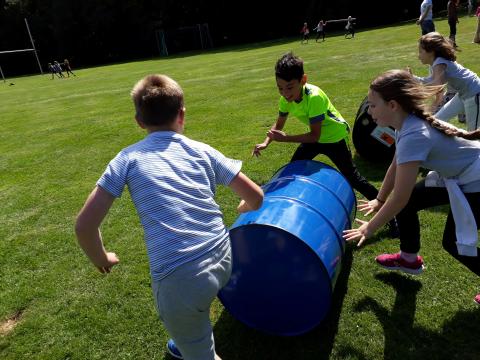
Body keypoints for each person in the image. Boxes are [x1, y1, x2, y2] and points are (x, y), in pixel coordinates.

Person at [75, 74, 264, 360]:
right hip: (223, 255)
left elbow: (84, 226)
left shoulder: (127, 158)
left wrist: (101, 259)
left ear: (139, 121)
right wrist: (244, 207)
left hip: (180, 279)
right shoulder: (202, 149)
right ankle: (190, 336)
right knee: (196, 306)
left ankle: (195, 344)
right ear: (182, 115)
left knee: (194, 335)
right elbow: (256, 197)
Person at [343, 69, 480, 305]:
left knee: (455, 244)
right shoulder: (403, 125)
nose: (368, 110)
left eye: (373, 105)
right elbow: (396, 165)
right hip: (461, 174)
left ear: (393, 105)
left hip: (476, 180)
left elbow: (400, 198)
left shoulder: (414, 133)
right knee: (412, 202)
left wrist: (370, 228)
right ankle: (408, 259)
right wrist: (380, 198)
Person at [252, 52, 399, 237]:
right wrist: (266, 142)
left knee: (353, 179)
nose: (285, 93)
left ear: (303, 80)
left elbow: (314, 136)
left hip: (333, 139)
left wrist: (286, 138)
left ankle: (391, 218)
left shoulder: (314, 97)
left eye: (289, 87)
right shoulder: (285, 100)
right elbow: (279, 125)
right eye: (280, 88)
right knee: (293, 169)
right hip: (315, 138)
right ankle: (286, 212)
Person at [412, 32, 480, 131]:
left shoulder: (439, 63)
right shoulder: (435, 64)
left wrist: (434, 105)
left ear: (431, 52)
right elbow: (431, 81)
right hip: (463, 95)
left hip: (475, 95)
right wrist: (413, 78)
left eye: (420, 52)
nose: (418, 56)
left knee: (474, 134)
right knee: (437, 120)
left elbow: (438, 87)